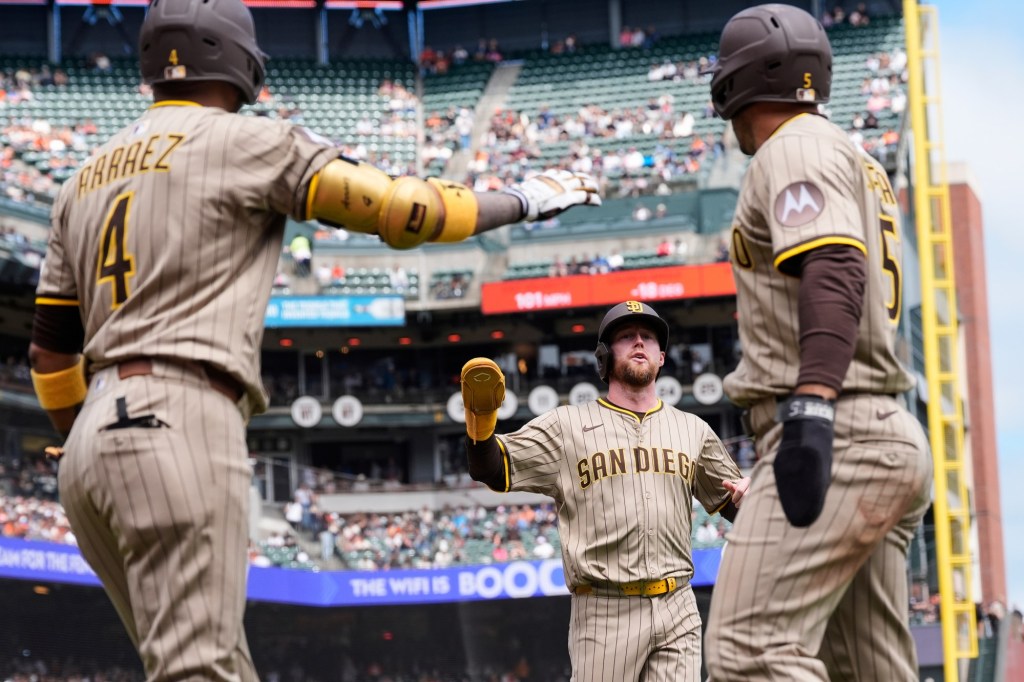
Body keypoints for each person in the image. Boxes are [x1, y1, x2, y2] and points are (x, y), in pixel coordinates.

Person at [25, 0, 600, 678]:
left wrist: (86, 427)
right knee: (199, 670)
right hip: (179, 416)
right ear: (240, 61)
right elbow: (410, 210)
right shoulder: (247, 141)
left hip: (88, 445)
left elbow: (50, 355)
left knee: (192, 665)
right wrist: (528, 199)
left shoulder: (80, 181)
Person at [702, 6, 932, 681]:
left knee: (749, 649)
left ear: (737, 86)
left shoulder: (794, 147)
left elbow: (833, 264)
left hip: (840, 429)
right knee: (868, 669)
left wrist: (812, 409)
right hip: (881, 431)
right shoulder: (849, 154)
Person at [460, 300, 749, 682]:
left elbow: (734, 504)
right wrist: (480, 422)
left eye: (647, 337)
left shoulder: (692, 429)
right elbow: (493, 469)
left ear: (661, 357)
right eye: (626, 337)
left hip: (678, 604)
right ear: (605, 356)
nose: (639, 343)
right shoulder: (566, 426)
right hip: (605, 610)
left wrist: (752, 499)